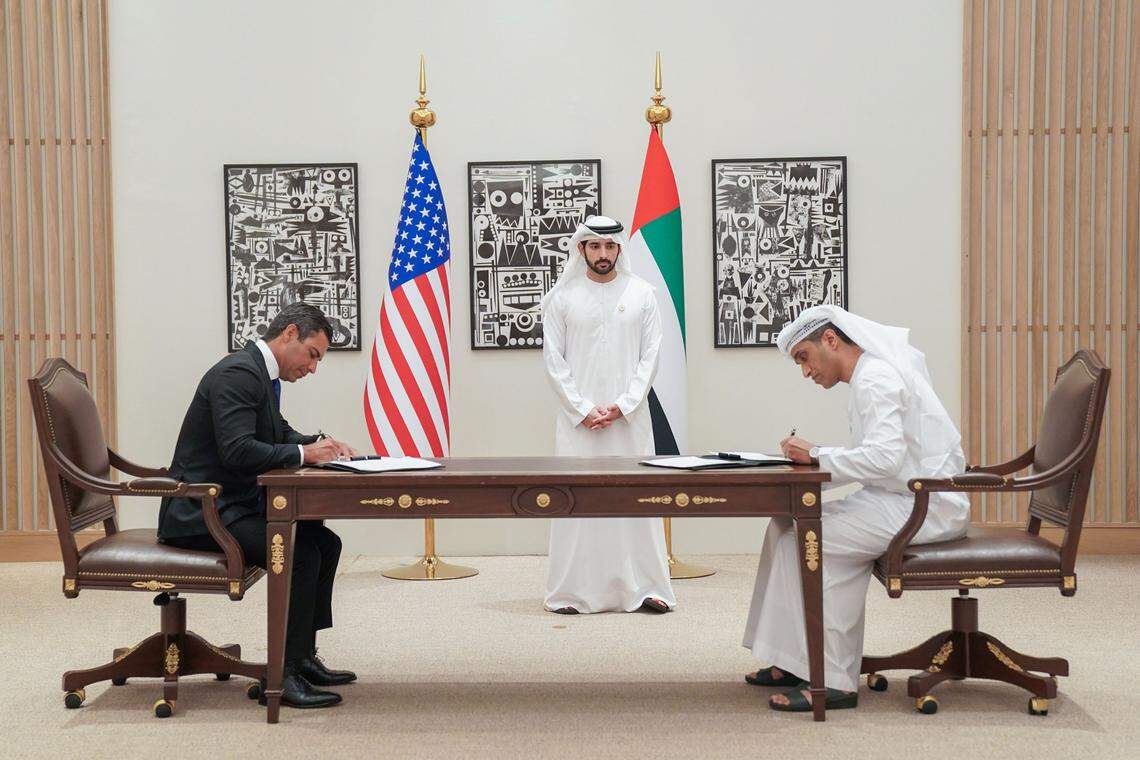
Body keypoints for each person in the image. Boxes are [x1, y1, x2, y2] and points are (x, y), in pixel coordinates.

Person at [742, 305, 970, 712]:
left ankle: (833, 681)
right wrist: (818, 458)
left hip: (924, 505)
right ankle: (795, 661)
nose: (805, 373)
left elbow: (883, 460)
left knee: (808, 536)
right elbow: (885, 459)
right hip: (902, 497)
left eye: (804, 358)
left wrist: (817, 456)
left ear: (830, 340)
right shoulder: (871, 375)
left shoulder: (876, 379)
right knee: (785, 525)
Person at [158, 302, 358, 709]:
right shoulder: (238, 374)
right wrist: (305, 457)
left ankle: (301, 658)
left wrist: (320, 446)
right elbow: (237, 451)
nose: (313, 368)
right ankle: (282, 675)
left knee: (324, 542)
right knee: (300, 553)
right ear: (288, 334)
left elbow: (275, 430)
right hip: (203, 513)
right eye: (313, 355)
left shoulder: (258, 373)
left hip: (233, 504)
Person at [540, 215, 675, 615]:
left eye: (610, 246)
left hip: (629, 420)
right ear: (581, 249)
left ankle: (648, 588)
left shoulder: (642, 294)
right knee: (575, 502)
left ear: (619, 249)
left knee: (635, 498)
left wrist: (623, 406)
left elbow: (650, 358)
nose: (603, 254)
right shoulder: (561, 299)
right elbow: (553, 361)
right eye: (595, 246)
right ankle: (569, 593)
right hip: (577, 423)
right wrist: (582, 410)